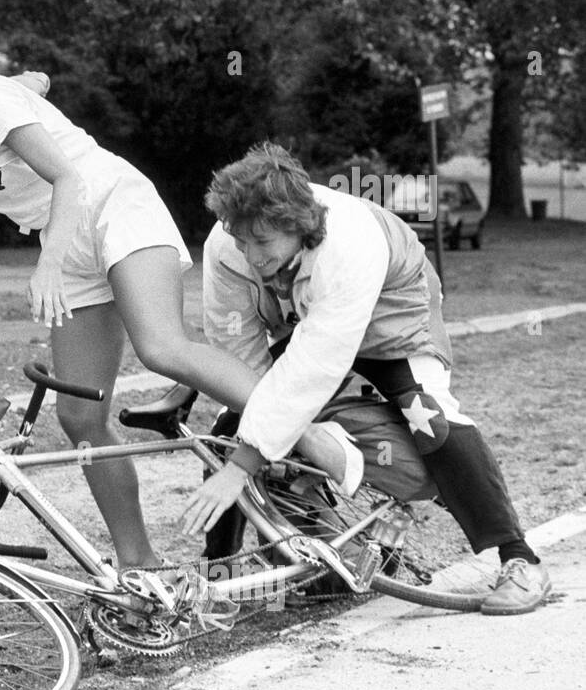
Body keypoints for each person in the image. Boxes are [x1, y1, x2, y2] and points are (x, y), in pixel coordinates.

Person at [0, 59, 346, 571]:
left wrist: (47, 268)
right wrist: (36, 83)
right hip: (68, 237)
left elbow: (67, 179)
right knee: (79, 415)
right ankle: (139, 563)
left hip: (110, 206)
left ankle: (305, 430)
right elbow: (26, 86)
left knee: (162, 349)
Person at [183, 142, 551, 614]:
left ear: (298, 225)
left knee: (429, 415)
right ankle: (223, 575)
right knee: (233, 425)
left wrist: (243, 467)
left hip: (388, 309)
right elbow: (237, 354)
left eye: (263, 243)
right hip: (299, 314)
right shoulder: (225, 245)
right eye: (242, 242)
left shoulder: (349, 242)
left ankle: (519, 558)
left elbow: (318, 364)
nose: (251, 256)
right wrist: (250, 434)